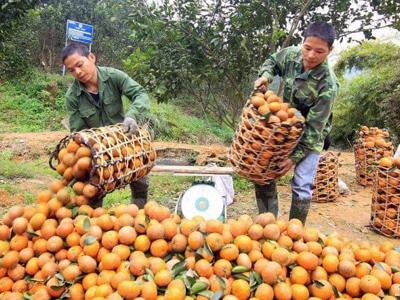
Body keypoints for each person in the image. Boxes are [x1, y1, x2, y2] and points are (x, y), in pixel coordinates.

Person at [253, 21, 339, 223]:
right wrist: (265, 76)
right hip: (282, 129)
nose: (310, 55)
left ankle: (294, 233)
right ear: (303, 43)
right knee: (264, 173)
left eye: (319, 51)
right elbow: (272, 61)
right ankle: (268, 224)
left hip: (311, 135)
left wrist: (293, 158)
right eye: (308, 48)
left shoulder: (328, 85)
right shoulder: (291, 55)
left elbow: (314, 130)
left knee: (302, 184)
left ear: (330, 50)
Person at [62, 42, 150, 209]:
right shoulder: (73, 96)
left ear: (91, 57)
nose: (78, 72)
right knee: (93, 192)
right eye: (72, 70)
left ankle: (138, 217)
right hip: (97, 150)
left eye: (79, 65)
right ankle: (94, 222)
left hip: (124, 141)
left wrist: (132, 116)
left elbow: (140, 94)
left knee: (140, 182)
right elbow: (78, 131)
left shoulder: (113, 76)